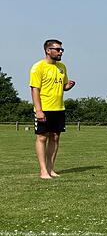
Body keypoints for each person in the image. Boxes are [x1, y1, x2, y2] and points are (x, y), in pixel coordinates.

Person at [29, 39, 76, 179]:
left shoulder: (62, 67)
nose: (60, 52)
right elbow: (34, 90)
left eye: (61, 49)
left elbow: (63, 87)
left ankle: (51, 169)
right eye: (57, 49)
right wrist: (39, 110)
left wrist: (69, 86)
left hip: (59, 108)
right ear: (48, 51)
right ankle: (43, 171)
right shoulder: (38, 67)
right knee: (42, 137)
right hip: (44, 108)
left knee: (55, 137)